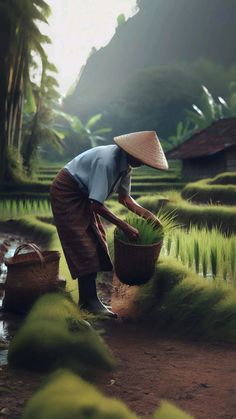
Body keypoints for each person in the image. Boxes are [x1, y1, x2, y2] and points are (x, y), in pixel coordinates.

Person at [50, 131, 168, 318]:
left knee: (97, 241)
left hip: (83, 194)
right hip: (67, 192)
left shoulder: (126, 167)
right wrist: (125, 226)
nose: (143, 163)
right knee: (83, 244)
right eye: (142, 159)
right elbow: (96, 204)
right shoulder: (107, 162)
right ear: (131, 152)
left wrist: (151, 217)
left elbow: (126, 199)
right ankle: (89, 302)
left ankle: (90, 300)